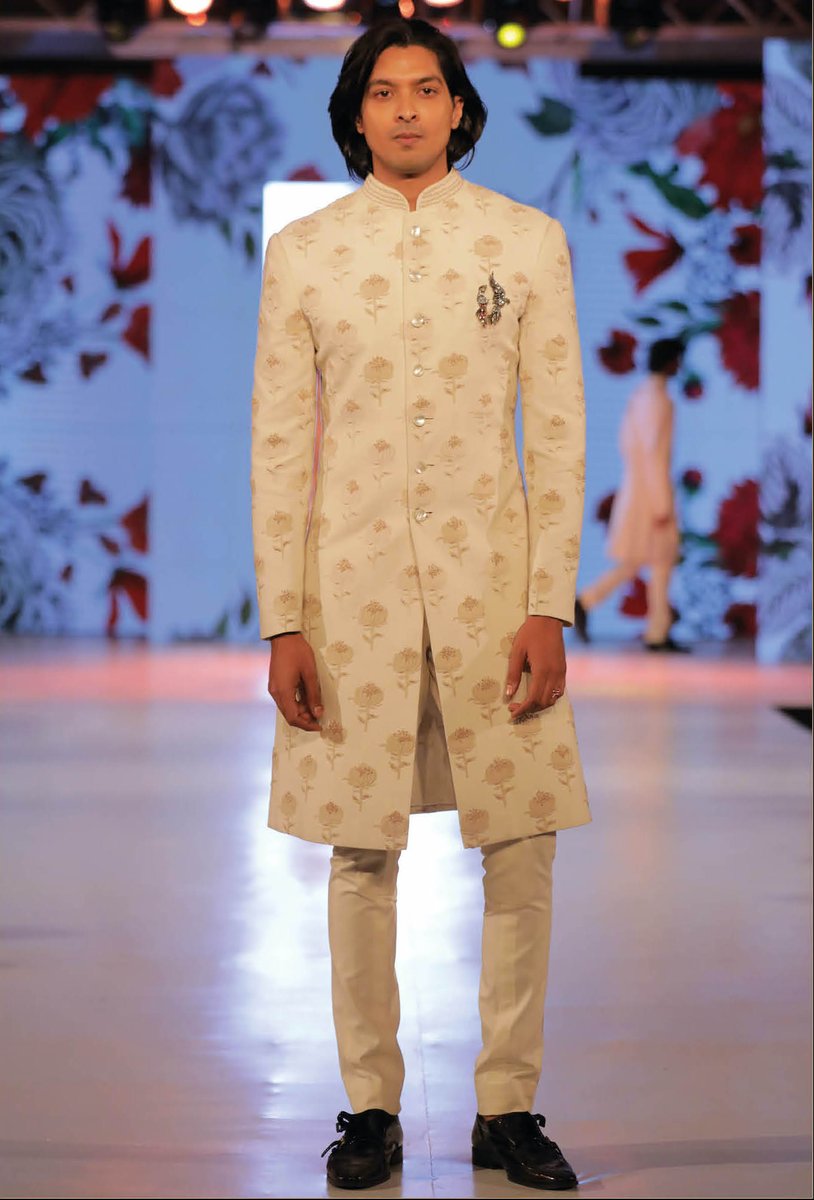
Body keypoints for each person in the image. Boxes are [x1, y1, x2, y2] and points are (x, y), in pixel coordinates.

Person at [250, 18, 590, 1191]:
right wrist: (283, 619)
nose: (405, 108)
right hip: (349, 599)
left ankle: (509, 1107)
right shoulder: (304, 252)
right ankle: (369, 1109)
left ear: (457, 109)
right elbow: (277, 445)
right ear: (355, 113)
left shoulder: (525, 240)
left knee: (522, 847)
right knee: (360, 852)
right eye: (384, 91)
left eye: (427, 89)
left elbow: (558, 434)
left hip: (496, 593)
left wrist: (550, 602)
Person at [574, 337, 687, 652]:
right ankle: (656, 631)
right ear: (669, 361)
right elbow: (653, 455)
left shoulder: (643, 396)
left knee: (642, 561)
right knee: (657, 560)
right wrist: (662, 503)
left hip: (642, 489)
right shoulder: (655, 400)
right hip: (649, 493)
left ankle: (651, 627)